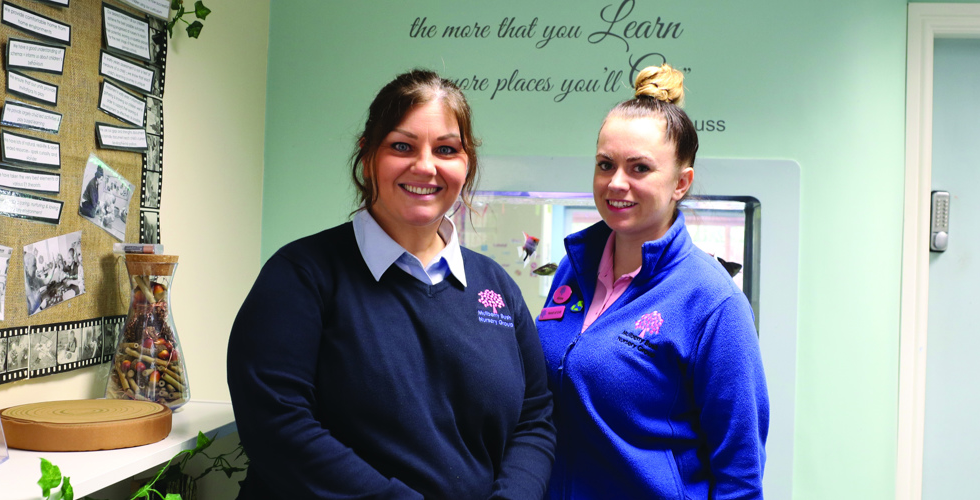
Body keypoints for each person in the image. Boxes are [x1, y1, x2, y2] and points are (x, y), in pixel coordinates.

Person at [228, 69, 555, 499]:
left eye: (446, 149)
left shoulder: (496, 287)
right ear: (368, 156)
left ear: (466, 162)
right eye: (402, 146)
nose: (425, 166)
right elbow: (277, 424)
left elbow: (534, 420)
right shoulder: (302, 275)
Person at [536, 65, 769, 499]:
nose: (615, 183)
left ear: (681, 182)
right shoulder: (574, 269)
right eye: (605, 164)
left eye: (639, 168)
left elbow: (740, 473)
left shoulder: (712, 301)